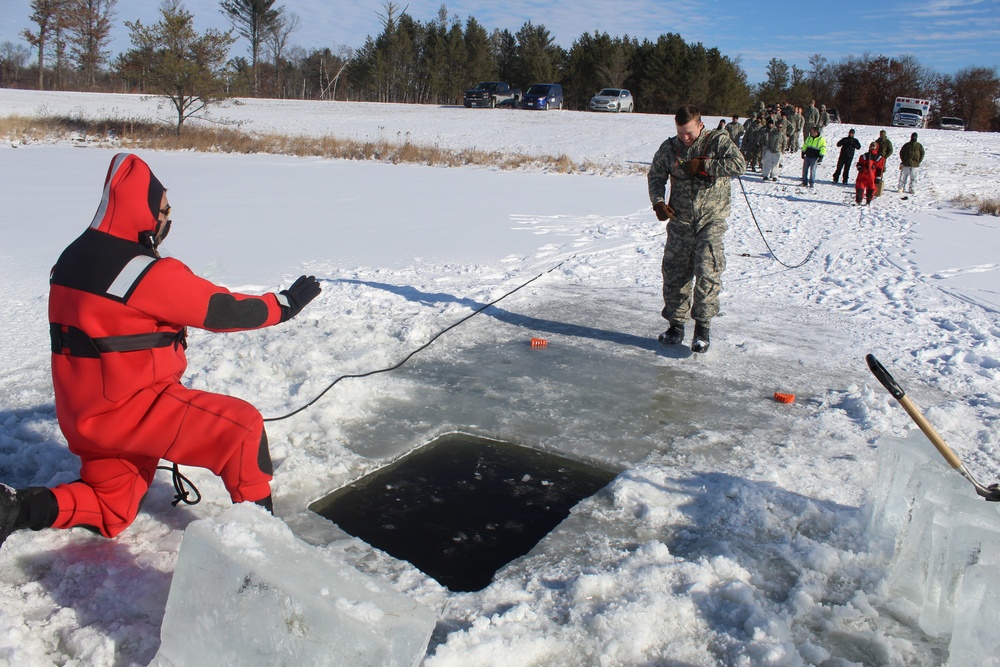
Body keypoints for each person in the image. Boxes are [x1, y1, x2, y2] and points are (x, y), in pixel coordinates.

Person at [0, 153, 322, 549]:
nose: (167, 220)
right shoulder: (141, 270)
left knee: (110, 508)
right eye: (163, 210)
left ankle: (14, 510)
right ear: (145, 211)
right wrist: (284, 305)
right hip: (133, 408)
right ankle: (269, 545)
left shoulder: (70, 259)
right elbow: (221, 310)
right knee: (240, 428)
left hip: (85, 417)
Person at [648, 104, 747, 353]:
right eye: (681, 132)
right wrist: (658, 201)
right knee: (675, 274)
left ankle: (702, 329)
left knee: (707, 270)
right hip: (680, 221)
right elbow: (655, 175)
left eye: (689, 132)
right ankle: (676, 326)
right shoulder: (669, 148)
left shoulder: (716, 142)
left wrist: (706, 166)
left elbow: (739, 164)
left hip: (710, 220)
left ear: (700, 125)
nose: (685, 138)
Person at [760, 117, 785, 181]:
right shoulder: (772, 133)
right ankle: (765, 175)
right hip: (770, 150)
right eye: (778, 127)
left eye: (780, 127)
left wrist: (783, 151)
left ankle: (774, 176)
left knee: (775, 165)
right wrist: (767, 148)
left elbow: (784, 144)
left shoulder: (783, 135)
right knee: (767, 163)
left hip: (778, 151)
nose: (779, 128)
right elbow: (769, 140)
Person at [875, 130, 893, 196]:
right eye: (880, 134)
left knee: (881, 170)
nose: (881, 135)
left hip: (882, 158)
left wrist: (885, 156)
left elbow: (890, 150)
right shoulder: (877, 141)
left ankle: (879, 182)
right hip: (876, 158)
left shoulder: (887, 142)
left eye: (882, 134)